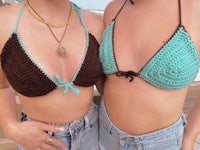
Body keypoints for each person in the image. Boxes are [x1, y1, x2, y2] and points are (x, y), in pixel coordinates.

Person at [0, 0, 104, 149]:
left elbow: (109, 84)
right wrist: (10, 127)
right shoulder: (4, 22)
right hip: (38, 140)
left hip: (92, 135)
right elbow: (2, 86)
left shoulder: (94, 23)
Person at [98, 0, 200, 149]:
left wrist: (190, 137)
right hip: (105, 137)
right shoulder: (113, 9)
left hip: (163, 143)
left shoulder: (195, 8)